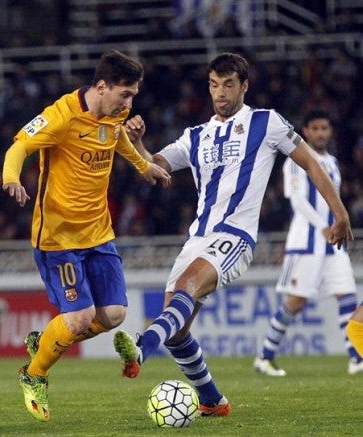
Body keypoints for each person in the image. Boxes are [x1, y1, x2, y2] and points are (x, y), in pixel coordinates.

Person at [113, 52, 353, 417]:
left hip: (236, 235)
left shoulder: (267, 122)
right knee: (176, 331)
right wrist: (138, 143)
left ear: (244, 86)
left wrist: (340, 213)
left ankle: (142, 347)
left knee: (187, 287)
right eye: (214, 85)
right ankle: (212, 401)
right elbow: (153, 168)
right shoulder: (196, 136)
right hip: (197, 238)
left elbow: (311, 163)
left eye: (228, 84)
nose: (220, 92)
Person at [2, 50, 171, 421]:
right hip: (58, 238)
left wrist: (143, 166)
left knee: (114, 315)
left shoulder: (115, 115)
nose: (129, 104)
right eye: (124, 95)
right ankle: (34, 374)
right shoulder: (61, 115)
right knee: (79, 317)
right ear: (102, 86)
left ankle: (45, 341)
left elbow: (116, 138)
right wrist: (11, 177)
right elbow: (19, 146)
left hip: (98, 233)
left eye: (133, 96)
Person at [254, 110, 362, 376]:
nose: (321, 133)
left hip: (333, 243)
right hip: (306, 242)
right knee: (296, 302)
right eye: (315, 128)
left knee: (347, 295)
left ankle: (356, 357)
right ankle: (265, 356)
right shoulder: (295, 161)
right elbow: (298, 200)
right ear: (306, 131)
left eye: (325, 128)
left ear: (330, 131)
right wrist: (322, 226)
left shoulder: (332, 162)